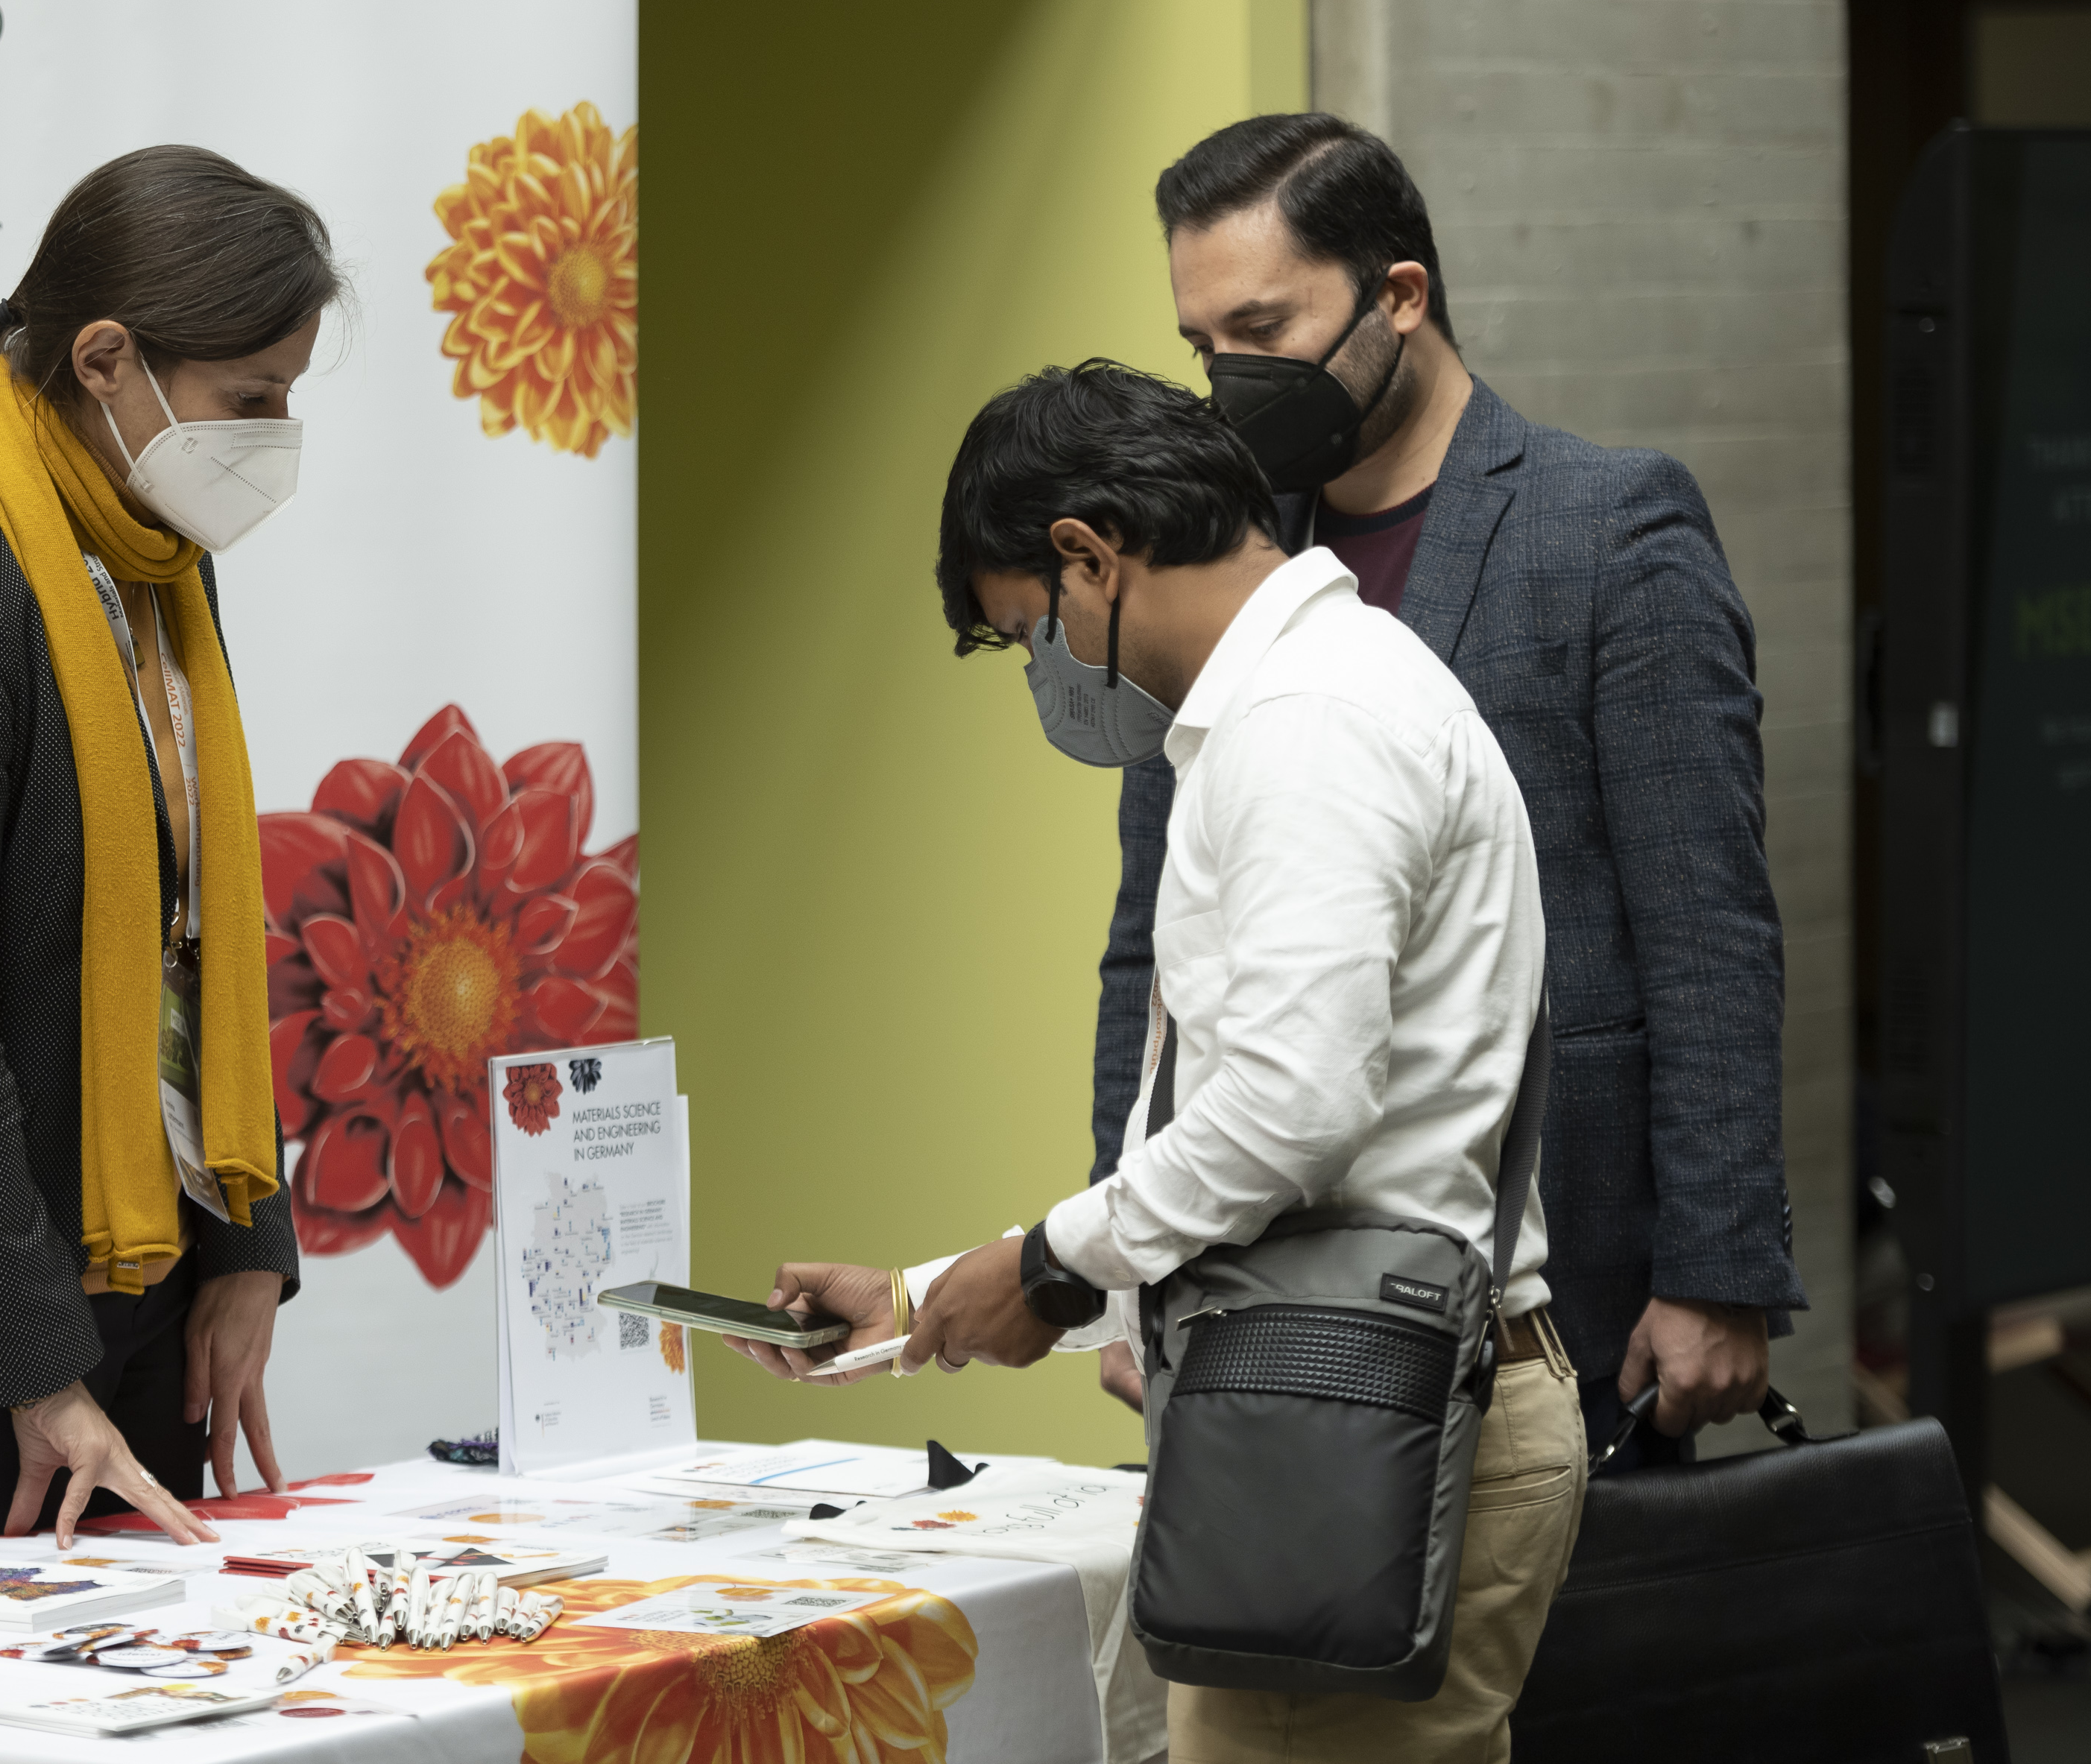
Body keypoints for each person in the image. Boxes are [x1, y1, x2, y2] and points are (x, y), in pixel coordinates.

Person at [736, 358, 1586, 1762]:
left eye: (1031, 635)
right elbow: (1277, 1152)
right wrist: (930, 1294)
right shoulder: (1309, 701)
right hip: (1358, 1400)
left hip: (1370, 1420)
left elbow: (1292, 1111)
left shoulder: (1311, 722)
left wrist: (1057, 1264)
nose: (1049, 678)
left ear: (1089, 554)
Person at [1097, 114, 1805, 1464]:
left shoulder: (1609, 529)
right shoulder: (1213, 566)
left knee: (1572, 1672)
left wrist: (1717, 1271)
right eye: (1203, 349)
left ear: (1401, 298)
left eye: (1262, 328)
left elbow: (1709, 930)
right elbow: (1155, 952)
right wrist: (1123, 1258)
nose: (1231, 380)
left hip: (1560, 1279)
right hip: (1261, 1288)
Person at [0, 147, 340, 1558]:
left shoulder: (159, 562)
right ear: (105, 360)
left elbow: (203, 924)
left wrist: (248, 1250)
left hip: (139, 1288)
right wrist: (36, 1363)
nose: (276, 433)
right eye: (252, 398)